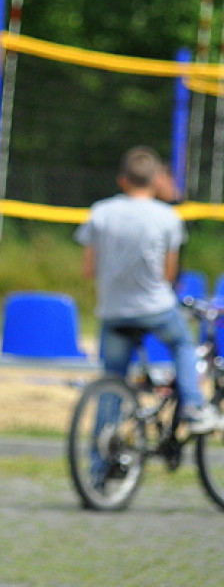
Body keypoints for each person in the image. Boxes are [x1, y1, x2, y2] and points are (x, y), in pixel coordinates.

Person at [75, 145, 219, 433]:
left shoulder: (100, 212)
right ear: (155, 180)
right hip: (155, 308)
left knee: (112, 381)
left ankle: (100, 454)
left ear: (122, 180)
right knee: (183, 345)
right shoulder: (168, 217)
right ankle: (193, 407)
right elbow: (169, 274)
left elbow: (89, 269)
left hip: (114, 310)